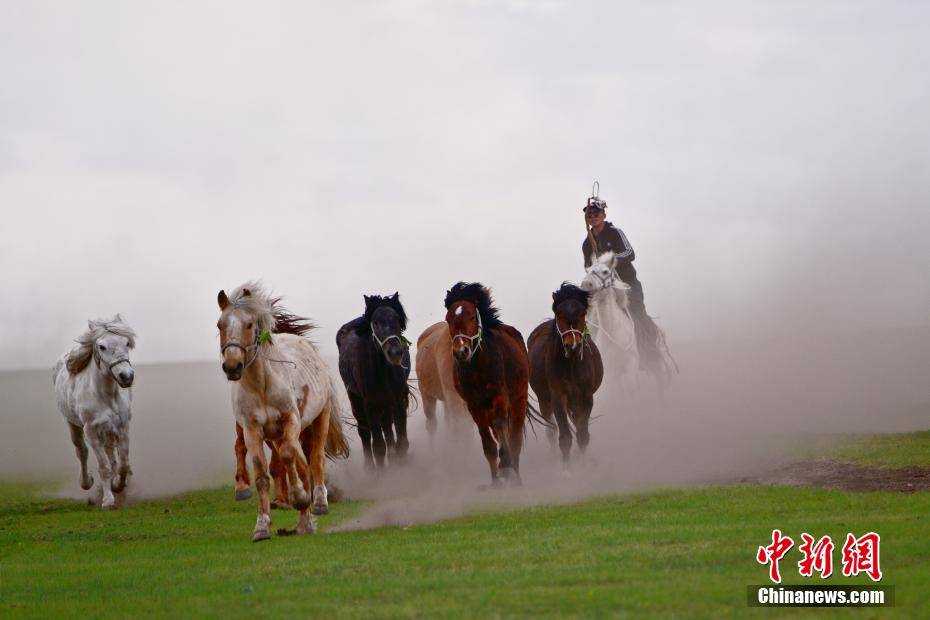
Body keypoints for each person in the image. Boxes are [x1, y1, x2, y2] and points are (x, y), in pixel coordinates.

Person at [581, 194, 660, 369]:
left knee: (638, 313)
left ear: (604, 215)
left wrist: (610, 261)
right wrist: (596, 269)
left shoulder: (615, 233)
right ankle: (586, 357)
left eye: (596, 213)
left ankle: (649, 354)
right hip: (602, 287)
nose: (593, 217)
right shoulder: (587, 243)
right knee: (586, 317)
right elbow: (587, 266)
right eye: (590, 215)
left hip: (627, 284)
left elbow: (630, 253)